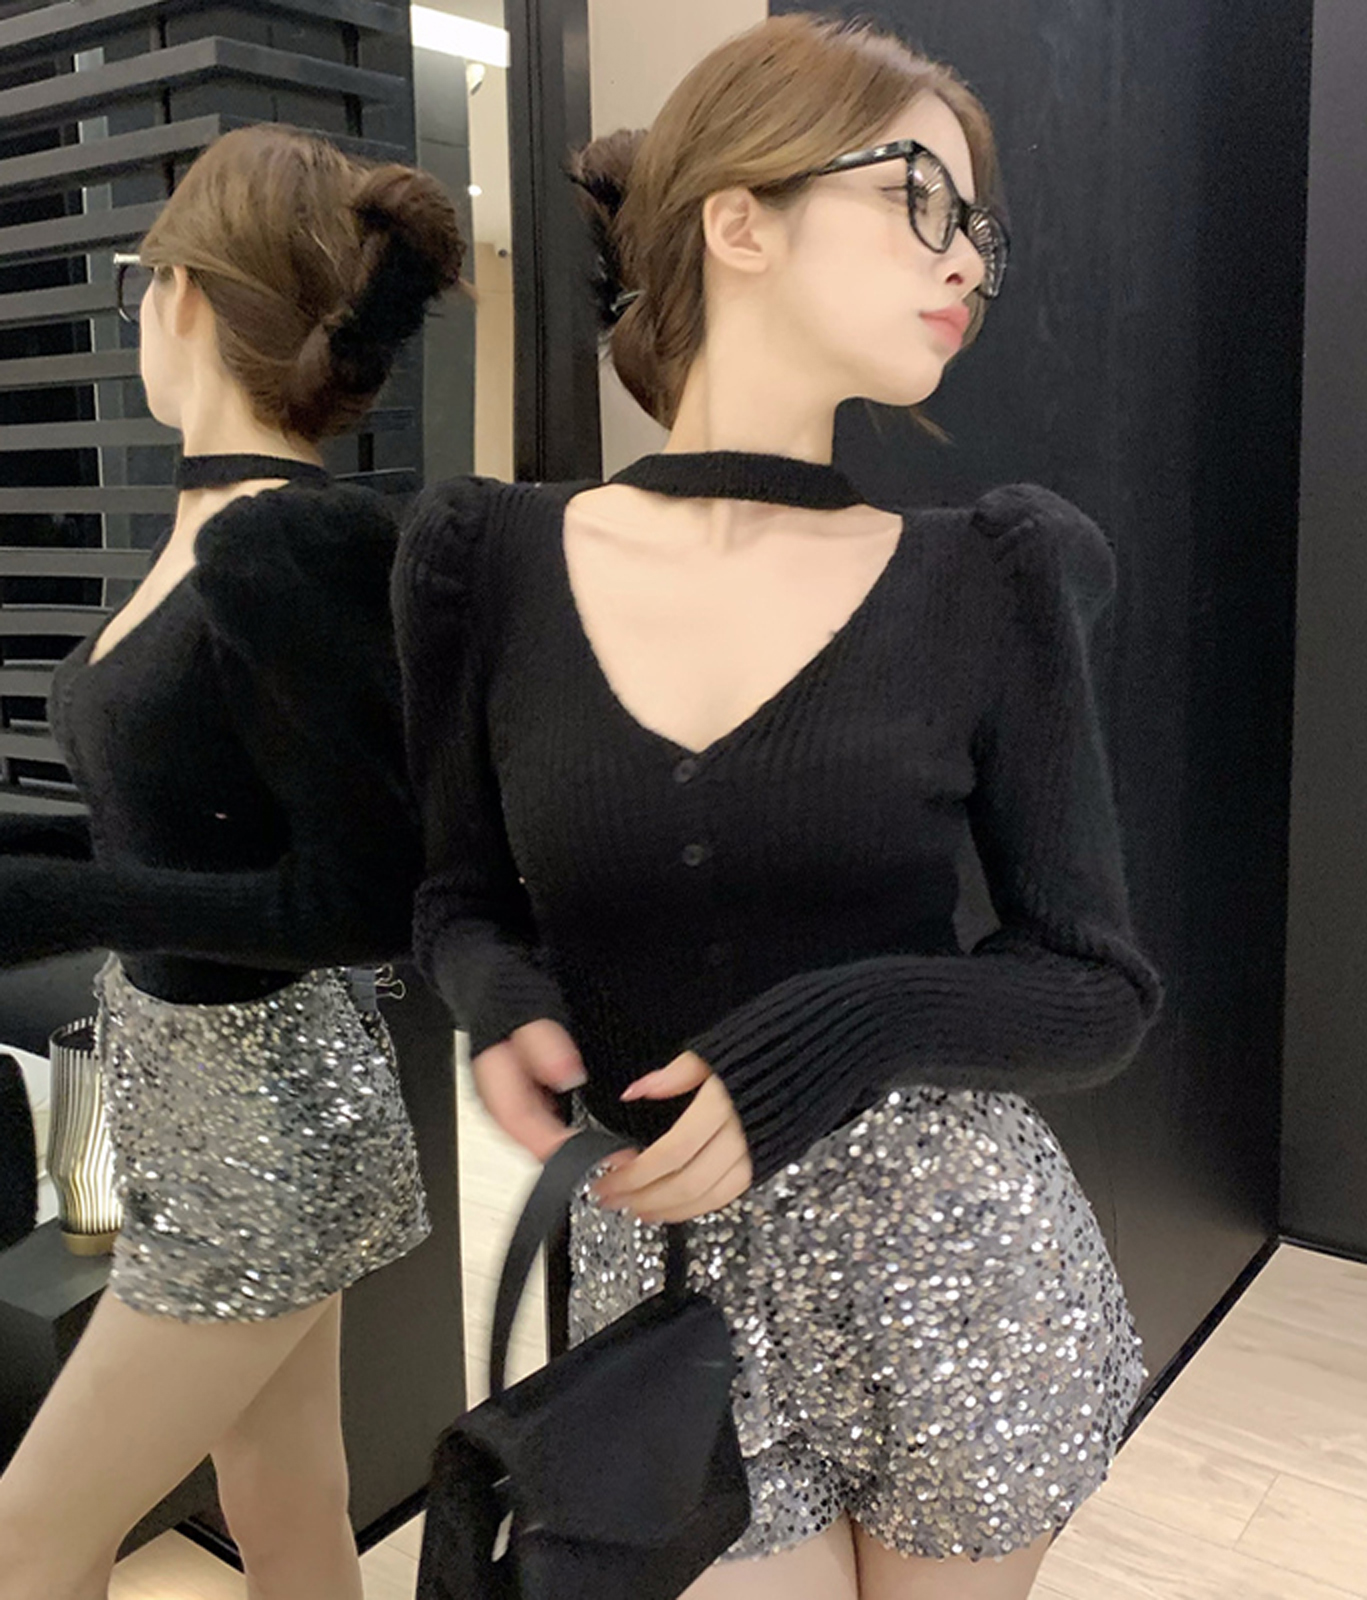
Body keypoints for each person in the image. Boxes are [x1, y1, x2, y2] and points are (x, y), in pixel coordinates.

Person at [396, 14, 1162, 1600]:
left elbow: (1095, 989)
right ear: (738, 221)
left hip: (952, 1259)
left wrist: (836, 1033)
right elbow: (458, 896)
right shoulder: (490, 567)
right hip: (664, 1269)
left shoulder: (991, 574)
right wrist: (503, 1001)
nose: (968, 260)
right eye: (918, 198)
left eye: (979, 228)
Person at [0, 125, 464, 1600]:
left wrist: (53, 903)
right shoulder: (209, 522)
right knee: (283, 1494)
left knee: (28, 1534)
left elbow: (364, 898)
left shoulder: (278, 541)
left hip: (265, 1119)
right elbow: (167, 816)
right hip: (199, 1098)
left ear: (181, 292)